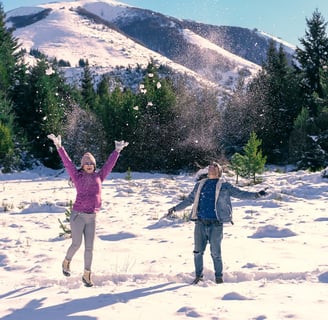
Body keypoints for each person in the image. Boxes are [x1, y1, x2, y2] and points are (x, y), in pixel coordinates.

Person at [48, 133, 128, 287]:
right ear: (83, 166)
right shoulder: (77, 176)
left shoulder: (100, 176)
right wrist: (59, 147)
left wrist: (117, 151)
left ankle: (86, 275)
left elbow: (109, 165)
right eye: (86, 163)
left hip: (92, 217)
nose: (89, 165)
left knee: (89, 248)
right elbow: (68, 163)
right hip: (78, 216)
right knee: (76, 244)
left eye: (91, 163)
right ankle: (66, 262)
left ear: (94, 165)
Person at [167, 162, 267, 285]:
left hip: (216, 224)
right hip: (200, 223)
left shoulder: (224, 186)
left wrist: (257, 195)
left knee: (216, 253)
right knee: (198, 252)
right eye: (209, 168)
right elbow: (189, 200)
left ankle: (219, 278)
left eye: (214, 168)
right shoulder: (200, 185)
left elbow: (240, 193)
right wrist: (175, 208)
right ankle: (199, 276)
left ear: (219, 172)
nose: (211, 169)